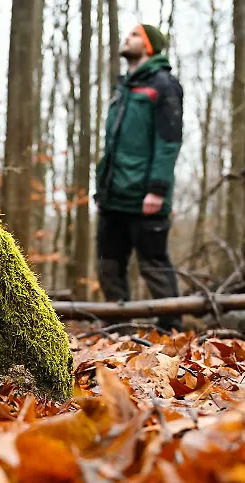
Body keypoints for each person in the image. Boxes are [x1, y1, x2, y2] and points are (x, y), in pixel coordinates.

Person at [94, 23, 184, 332]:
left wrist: (157, 189)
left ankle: (172, 331)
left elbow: (169, 141)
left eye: (134, 35)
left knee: (154, 265)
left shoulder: (164, 85)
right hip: (113, 194)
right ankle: (117, 332)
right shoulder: (123, 88)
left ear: (148, 46)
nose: (126, 38)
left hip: (145, 195)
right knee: (108, 264)